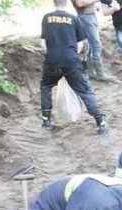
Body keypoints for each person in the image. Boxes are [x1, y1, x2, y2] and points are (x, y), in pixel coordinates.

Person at [40, 0, 109, 135]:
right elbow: (81, 44)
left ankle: (46, 121)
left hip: (52, 60)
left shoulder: (46, 18)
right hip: (71, 61)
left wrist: (52, 54)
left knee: (46, 87)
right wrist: (71, 56)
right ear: (66, 3)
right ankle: (100, 122)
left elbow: (43, 43)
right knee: (85, 91)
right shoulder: (73, 18)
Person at [71, 0, 114, 81]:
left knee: (92, 45)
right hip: (86, 16)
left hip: (88, 15)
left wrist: (94, 5)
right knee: (95, 45)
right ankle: (100, 73)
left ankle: (92, 72)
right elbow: (79, 3)